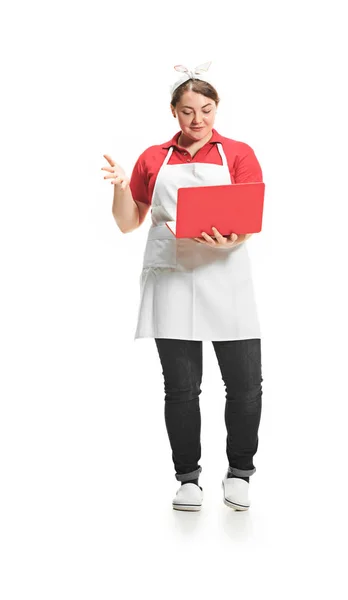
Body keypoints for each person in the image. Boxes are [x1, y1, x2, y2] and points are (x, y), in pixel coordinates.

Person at [101, 62, 264, 512]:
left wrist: (236, 236)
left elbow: (250, 214)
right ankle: (188, 479)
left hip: (226, 275)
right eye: (188, 111)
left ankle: (240, 474)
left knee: (247, 385)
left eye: (206, 110)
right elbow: (127, 222)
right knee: (180, 388)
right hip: (172, 278)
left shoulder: (238, 154)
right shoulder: (154, 158)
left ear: (217, 109)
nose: (198, 121)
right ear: (173, 112)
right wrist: (118, 188)